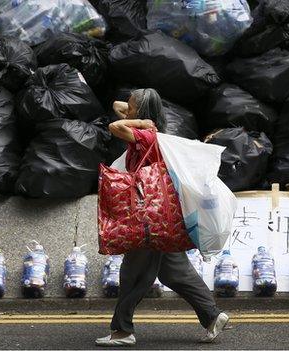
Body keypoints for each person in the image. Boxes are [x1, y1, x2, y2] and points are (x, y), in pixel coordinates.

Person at [95, 88, 229, 347]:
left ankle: (122, 331)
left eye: (134, 108)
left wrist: (143, 122)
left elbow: (115, 125)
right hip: (158, 215)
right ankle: (213, 316)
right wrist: (140, 113)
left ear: (143, 114)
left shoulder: (146, 136)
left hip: (148, 218)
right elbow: (117, 105)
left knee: (134, 273)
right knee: (174, 272)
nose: (128, 110)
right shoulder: (146, 127)